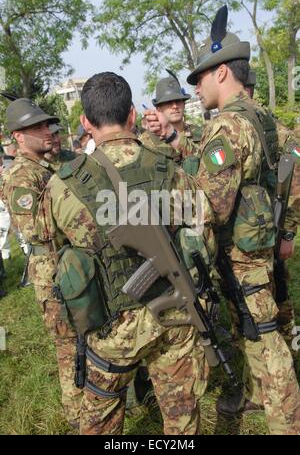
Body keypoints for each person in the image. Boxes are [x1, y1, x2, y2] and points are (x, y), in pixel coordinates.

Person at [144, 5, 300, 435]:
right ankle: (256, 395)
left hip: (243, 254)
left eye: (200, 79)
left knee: (267, 339)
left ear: (222, 74)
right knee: (255, 330)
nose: (194, 88)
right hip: (262, 244)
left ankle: (286, 421)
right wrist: (286, 231)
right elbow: (289, 175)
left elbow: (207, 205)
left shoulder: (227, 128)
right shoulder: (265, 117)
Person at [37, 72, 216, 435]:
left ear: (85, 123)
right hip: (175, 318)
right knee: (182, 421)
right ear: (132, 114)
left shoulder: (63, 184)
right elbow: (204, 236)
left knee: (100, 423)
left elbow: (50, 256)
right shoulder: (168, 166)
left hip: (109, 327)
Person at [217, 70, 300, 417]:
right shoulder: (270, 123)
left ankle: (282, 401)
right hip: (265, 235)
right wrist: (287, 232)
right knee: (258, 319)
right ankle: (259, 390)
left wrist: (289, 232)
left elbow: (295, 172)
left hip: (249, 244)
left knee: (263, 329)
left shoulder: (234, 125)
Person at [2, 98, 83, 429]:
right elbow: (38, 228)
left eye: (47, 124)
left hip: (73, 265)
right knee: (68, 346)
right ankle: (78, 416)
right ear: (18, 136)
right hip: (52, 274)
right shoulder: (21, 176)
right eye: (37, 127)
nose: (47, 130)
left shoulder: (47, 165)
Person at [141, 70, 203, 161]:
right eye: (168, 102)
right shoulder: (146, 141)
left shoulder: (201, 133)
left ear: (184, 104)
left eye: (178, 101)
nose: (174, 106)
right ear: (158, 109)